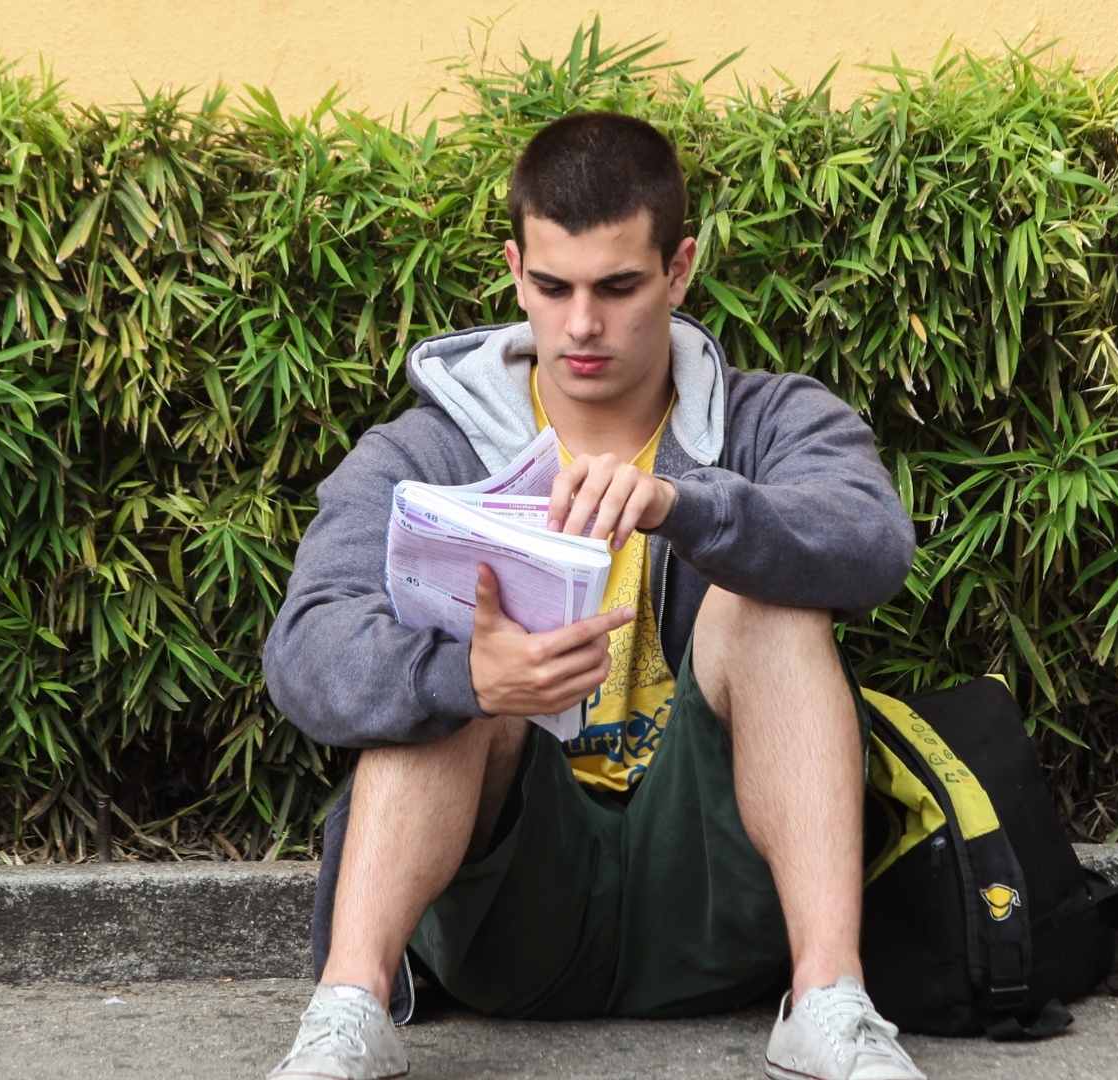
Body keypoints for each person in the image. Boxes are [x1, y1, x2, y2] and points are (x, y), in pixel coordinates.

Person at [261, 111, 923, 1080]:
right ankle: (347, 1017)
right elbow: (304, 654)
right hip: (508, 903)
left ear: (679, 269)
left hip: (715, 886)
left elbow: (871, 542)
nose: (580, 324)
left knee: (771, 597)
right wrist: (473, 674)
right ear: (514, 270)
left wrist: (685, 507)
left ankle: (826, 1000)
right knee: (455, 661)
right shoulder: (423, 454)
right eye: (553, 286)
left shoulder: (768, 419)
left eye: (617, 287)